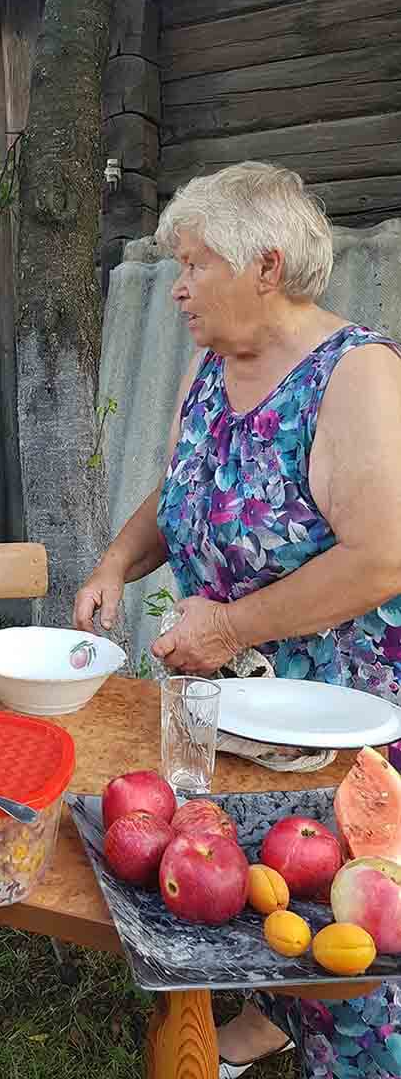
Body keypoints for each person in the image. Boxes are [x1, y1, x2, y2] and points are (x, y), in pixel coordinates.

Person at [73, 162, 401, 1079]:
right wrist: (115, 564)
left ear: (264, 266)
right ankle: (272, 1018)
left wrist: (227, 629)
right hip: (239, 704)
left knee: (347, 919)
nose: (176, 285)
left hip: (343, 714)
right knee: (253, 884)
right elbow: (184, 494)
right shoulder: (213, 366)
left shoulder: (358, 374)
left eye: (194, 262)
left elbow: (383, 556)